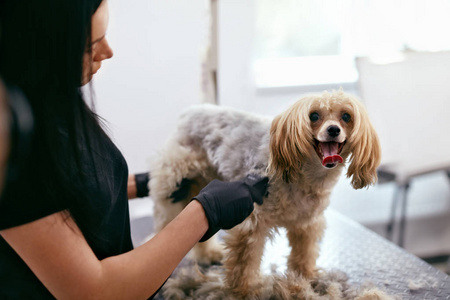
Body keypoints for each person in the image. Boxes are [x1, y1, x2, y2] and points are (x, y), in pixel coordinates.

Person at [0, 1, 268, 299]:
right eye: (91, 45)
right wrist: (205, 213)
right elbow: (98, 291)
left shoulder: (54, 94)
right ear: (42, 49)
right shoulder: (10, 147)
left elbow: (60, 195)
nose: (108, 52)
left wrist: (147, 183)